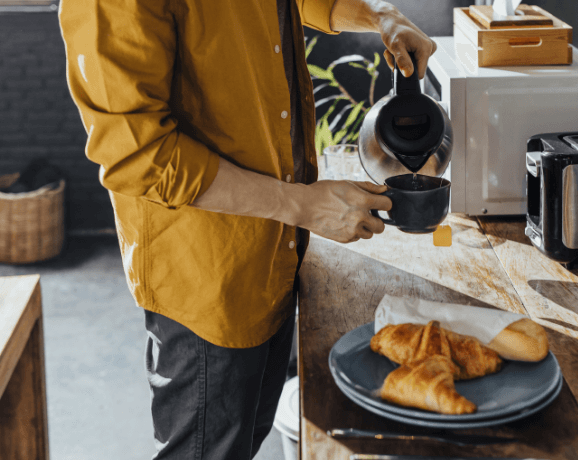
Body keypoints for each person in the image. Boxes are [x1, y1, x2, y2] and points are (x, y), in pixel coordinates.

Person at [59, 0, 436, 458]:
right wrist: (301, 205)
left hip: (276, 250)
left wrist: (381, 15)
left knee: (246, 442)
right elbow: (137, 155)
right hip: (209, 279)